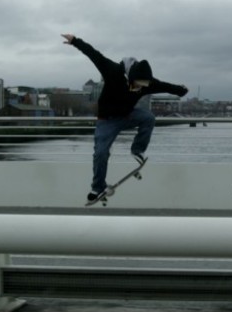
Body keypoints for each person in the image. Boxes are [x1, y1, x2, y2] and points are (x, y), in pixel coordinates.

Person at [61, 34, 189, 203]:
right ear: (129, 76)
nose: (138, 88)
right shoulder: (112, 70)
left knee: (148, 118)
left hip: (127, 115)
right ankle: (97, 187)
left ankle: (137, 150)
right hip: (106, 120)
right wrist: (75, 41)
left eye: (141, 86)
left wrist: (181, 90)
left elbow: (165, 86)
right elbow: (94, 54)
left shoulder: (146, 82)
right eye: (135, 85)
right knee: (101, 153)